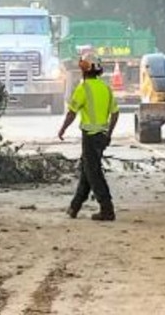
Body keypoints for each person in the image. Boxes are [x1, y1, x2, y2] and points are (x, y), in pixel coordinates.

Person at [57, 47, 120, 221]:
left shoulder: (83, 88)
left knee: (93, 173)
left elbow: (72, 112)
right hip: (102, 136)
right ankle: (74, 207)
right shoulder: (105, 88)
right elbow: (115, 113)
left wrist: (62, 129)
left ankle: (107, 209)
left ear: (84, 69)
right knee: (87, 169)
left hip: (90, 136)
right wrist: (109, 134)